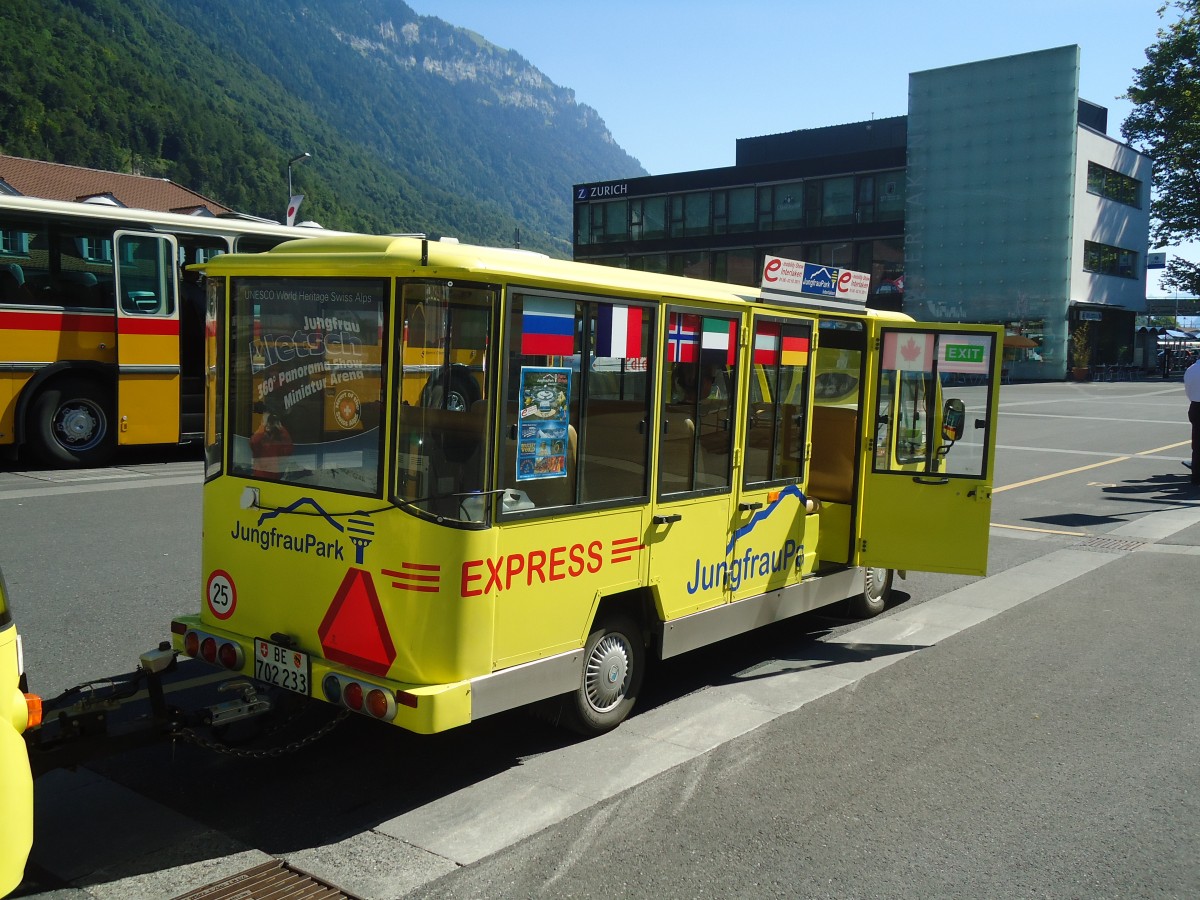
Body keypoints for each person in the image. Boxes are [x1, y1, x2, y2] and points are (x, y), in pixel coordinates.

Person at [250, 411, 294, 478]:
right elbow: (253, 443)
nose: (269, 424)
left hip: (274, 476)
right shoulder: (259, 437)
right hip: (260, 475)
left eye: (271, 422)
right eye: (267, 422)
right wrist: (263, 425)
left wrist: (281, 428)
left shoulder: (278, 439)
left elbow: (288, 451)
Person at [1185, 356, 1200, 485]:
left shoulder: (1191, 369)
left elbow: (1188, 392)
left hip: (1195, 406)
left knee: (1197, 444)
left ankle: (1196, 475)